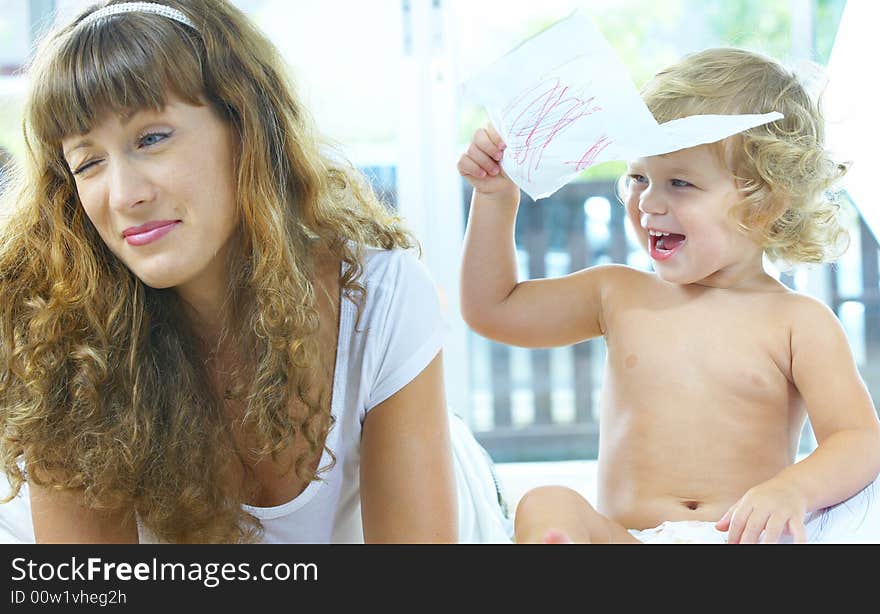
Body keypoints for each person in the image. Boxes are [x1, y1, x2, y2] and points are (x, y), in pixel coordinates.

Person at [0, 0, 509, 544]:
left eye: (151, 138)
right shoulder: (59, 343)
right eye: (88, 162)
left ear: (245, 125)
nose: (124, 196)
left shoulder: (378, 300)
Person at [457, 47, 880, 543]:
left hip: (738, 541)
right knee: (546, 503)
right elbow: (494, 308)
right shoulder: (615, 293)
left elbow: (858, 439)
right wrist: (494, 199)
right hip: (629, 541)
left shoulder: (797, 322)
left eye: (680, 183)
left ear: (765, 202)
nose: (649, 202)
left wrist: (793, 490)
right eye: (639, 177)